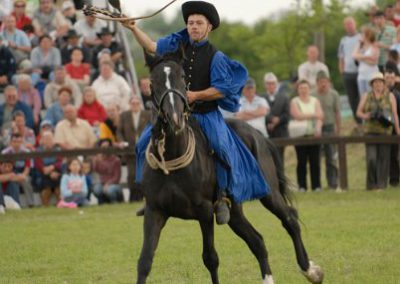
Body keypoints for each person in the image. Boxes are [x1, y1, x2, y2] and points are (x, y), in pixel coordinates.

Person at [122, 1, 269, 224]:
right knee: (142, 144)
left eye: (199, 23)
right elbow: (152, 46)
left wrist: (196, 95)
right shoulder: (177, 43)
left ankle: (221, 198)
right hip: (176, 113)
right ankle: (149, 197)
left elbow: (222, 90)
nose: (193, 27)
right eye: (190, 23)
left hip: (206, 115)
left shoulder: (216, 57)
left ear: (208, 27)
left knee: (221, 147)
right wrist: (133, 28)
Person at [357, 73, 400, 190]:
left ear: (383, 83)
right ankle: (371, 184)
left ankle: (382, 184)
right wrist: (367, 115)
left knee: (384, 158)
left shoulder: (390, 96)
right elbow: (358, 112)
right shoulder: (366, 95)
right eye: (375, 82)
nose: (378, 84)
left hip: (385, 131)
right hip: (370, 131)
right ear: (372, 84)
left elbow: (395, 114)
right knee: (371, 158)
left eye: (380, 82)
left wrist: (398, 131)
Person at [290, 80, 324, 192]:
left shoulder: (315, 101)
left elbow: (321, 116)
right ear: (298, 89)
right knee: (301, 161)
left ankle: (316, 186)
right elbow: (297, 116)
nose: (303, 90)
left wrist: (318, 127)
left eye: (305, 87)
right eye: (301, 88)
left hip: (314, 134)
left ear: (309, 89)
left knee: (315, 162)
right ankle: (302, 186)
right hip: (300, 135)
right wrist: (314, 115)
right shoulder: (294, 101)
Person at [117, 96, 150, 201]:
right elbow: (119, 131)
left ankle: (144, 196)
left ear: (140, 104)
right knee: (131, 175)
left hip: (145, 149)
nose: (135, 105)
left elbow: (152, 128)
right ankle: (133, 196)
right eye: (133, 103)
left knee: (144, 173)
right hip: (129, 150)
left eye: (137, 103)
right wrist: (121, 141)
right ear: (130, 104)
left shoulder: (147, 114)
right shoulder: (124, 115)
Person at [312, 71, 341, 190]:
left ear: (329, 82)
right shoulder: (312, 95)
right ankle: (317, 185)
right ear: (317, 83)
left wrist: (338, 129)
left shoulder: (334, 94)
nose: (323, 84)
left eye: (325, 81)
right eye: (320, 82)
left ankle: (333, 183)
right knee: (316, 158)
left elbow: (337, 113)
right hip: (316, 128)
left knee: (331, 158)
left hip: (329, 127)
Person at [338, 17, 362, 129]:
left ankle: (365, 121)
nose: (349, 26)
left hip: (360, 72)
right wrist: (342, 72)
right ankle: (358, 122)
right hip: (348, 73)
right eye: (347, 24)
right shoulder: (343, 40)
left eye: (350, 23)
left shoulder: (361, 37)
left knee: (362, 97)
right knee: (352, 99)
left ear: (355, 24)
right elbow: (341, 58)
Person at [262, 72, 290, 163]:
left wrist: (278, 121)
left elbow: (287, 114)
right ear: (265, 85)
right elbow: (260, 113)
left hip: (280, 132)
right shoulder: (260, 98)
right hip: (265, 132)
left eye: (273, 83)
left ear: (276, 84)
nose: (271, 86)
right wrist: (270, 120)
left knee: (279, 159)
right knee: (266, 160)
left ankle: (280, 177)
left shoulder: (285, 97)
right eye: (268, 83)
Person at [1, 132, 34, 206]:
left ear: (22, 142)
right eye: (15, 142)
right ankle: (15, 204)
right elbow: (3, 168)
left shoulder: (26, 152)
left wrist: (23, 175)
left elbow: (27, 167)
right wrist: (11, 176)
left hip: (22, 172)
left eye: (19, 142)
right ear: (11, 142)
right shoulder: (5, 153)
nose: (17, 144)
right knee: (13, 182)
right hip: (9, 173)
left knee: (26, 180)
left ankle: (31, 204)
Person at [35, 131, 62, 206]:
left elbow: (60, 162)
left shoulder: (58, 150)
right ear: (42, 140)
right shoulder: (38, 151)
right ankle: (45, 203)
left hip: (56, 172)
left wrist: (53, 167)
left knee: (57, 178)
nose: (48, 141)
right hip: (44, 173)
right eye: (46, 139)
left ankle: (60, 202)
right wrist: (49, 172)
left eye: (50, 139)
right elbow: (38, 165)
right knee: (47, 182)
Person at [353, 26, 380, 98]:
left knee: (371, 97)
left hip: (371, 76)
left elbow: (374, 61)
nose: (361, 36)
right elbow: (354, 55)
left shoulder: (374, 47)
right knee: (363, 98)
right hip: (361, 76)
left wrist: (360, 58)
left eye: (362, 34)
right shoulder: (360, 46)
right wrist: (367, 57)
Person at [92, 138, 122, 204]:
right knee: (96, 189)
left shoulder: (116, 160)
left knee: (110, 190)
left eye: (108, 146)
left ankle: (114, 203)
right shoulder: (98, 159)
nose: (106, 149)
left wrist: (108, 184)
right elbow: (95, 170)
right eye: (103, 147)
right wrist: (96, 160)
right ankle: (102, 203)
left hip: (114, 184)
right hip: (101, 183)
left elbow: (117, 177)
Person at [384, 69, 400, 186]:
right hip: (382, 127)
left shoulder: (397, 94)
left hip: (395, 126)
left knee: (394, 153)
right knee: (386, 154)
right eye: (387, 77)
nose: (389, 80)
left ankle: (394, 179)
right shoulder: (378, 93)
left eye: (391, 77)